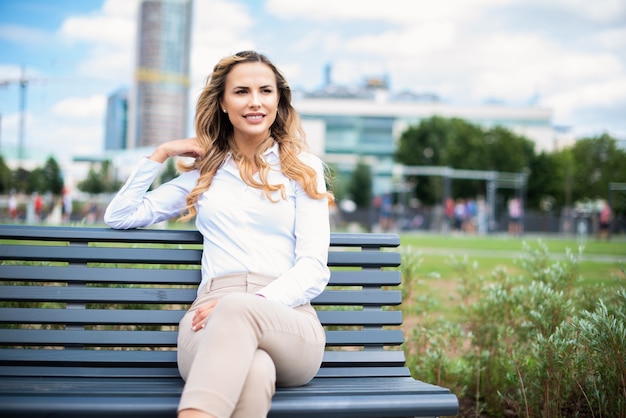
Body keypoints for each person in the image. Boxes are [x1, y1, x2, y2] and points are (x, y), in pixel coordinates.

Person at [104, 50, 333, 418]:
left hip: (287, 319)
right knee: (256, 371)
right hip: (206, 320)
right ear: (223, 103)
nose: (255, 102)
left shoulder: (303, 169)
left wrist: (250, 302)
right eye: (241, 91)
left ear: (279, 100)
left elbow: (313, 268)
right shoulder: (205, 174)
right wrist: (161, 154)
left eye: (265, 91)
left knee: (239, 310)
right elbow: (120, 215)